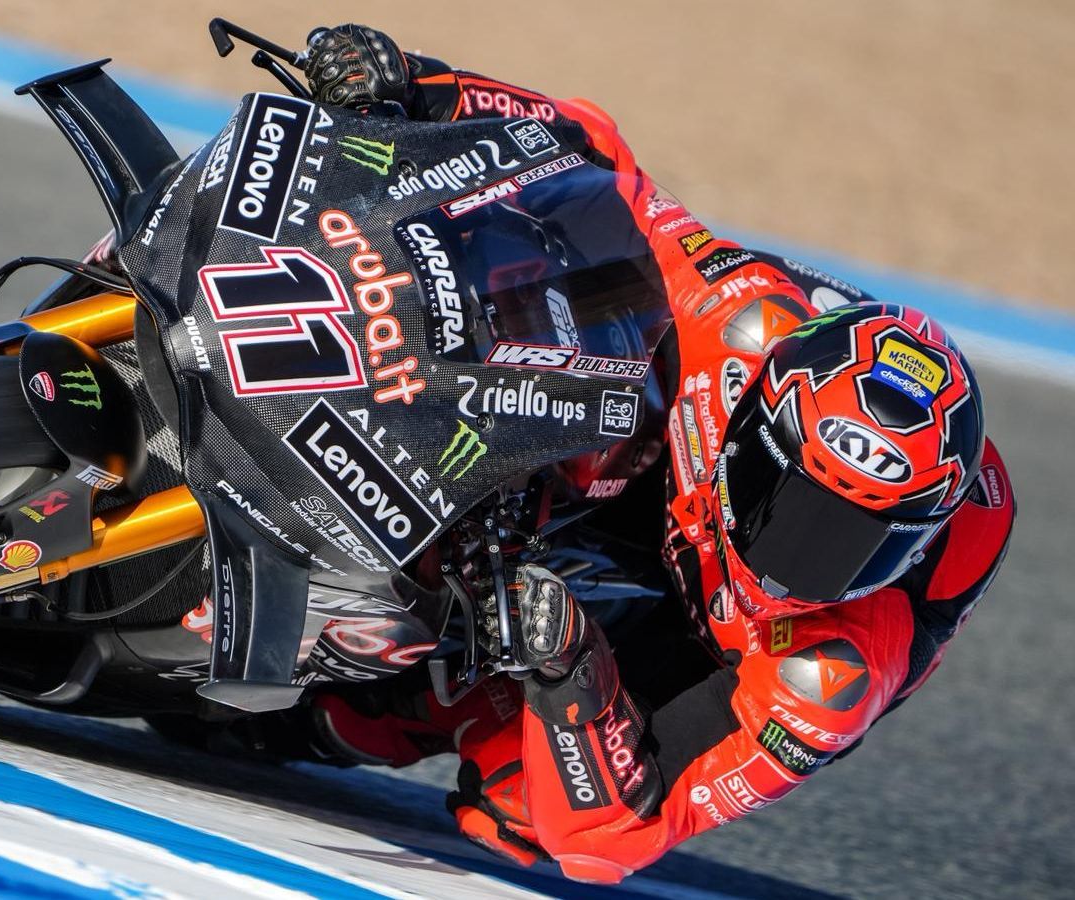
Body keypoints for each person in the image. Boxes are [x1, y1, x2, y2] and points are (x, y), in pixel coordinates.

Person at [298, 25, 1017, 883]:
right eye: (792, 510)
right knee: (549, 269)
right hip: (675, 467)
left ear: (913, 542)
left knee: (521, 809)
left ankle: (332, 710)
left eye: (851, 542)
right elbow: (590, 154)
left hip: (707, 642)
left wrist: (571, 673)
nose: (796, 562)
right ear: (759, 427)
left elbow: (613, 841)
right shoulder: (743, 321)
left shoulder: (832, 670)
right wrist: (414, 86)